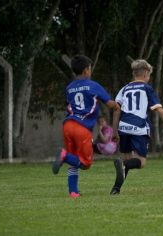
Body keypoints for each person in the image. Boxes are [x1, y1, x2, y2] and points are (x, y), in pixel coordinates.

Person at [52, 55, 119, 199]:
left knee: (73, 159)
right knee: (86, 163)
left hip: (68, 125)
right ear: (86, 70)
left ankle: (73, 192)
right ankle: (63, 156)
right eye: (90, 68)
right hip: (82, 128)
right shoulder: (93, 85)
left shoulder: (69, 88)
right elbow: (110, 104)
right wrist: (118, 105)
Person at [110, 59, 163, 195]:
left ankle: (116, 189)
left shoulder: (124, 89)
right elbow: (158, 109)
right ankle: (123, 165)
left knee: (126, 159)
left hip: (123, 127)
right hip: (139, 127)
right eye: (149, 75)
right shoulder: (147, 88)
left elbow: (116, 110)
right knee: (141, 162)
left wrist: (114, 131)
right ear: (146, 73)